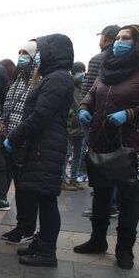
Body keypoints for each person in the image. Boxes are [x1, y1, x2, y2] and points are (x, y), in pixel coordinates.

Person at [75, 24, 139, 270]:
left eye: (126, 39)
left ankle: (124, 249)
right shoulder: (107, 68)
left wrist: (130, 113)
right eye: (118, 38)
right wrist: (84, 108)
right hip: (102, 140)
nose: (119, 42)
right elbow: (93, 92)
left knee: (128, 199)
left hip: (132, 147)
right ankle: (97, 240)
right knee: (100, 193)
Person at [4, 33, 75, 267]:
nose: (37, 58)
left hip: (46, 146)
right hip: (43, 145)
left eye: (41, 53)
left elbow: (40, 115)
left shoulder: (57, 79)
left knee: (46, 200)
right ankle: (41, 243)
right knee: (44, 198)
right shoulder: (55, 77)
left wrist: (14, 137)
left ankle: (47, 252)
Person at [0, 40, 40, 244]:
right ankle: (21, 225)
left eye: (25, 53)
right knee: (19, 185)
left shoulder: (37, 80)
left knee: (26, 189)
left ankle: (27, 229)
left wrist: (16, 136)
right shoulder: (18, 79)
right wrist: (3, 124)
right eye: (19, 52)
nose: (21, 56)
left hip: (24, 141)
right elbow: (9, 105)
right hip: (12, 140)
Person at [80, 25, 121, 216]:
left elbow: (88, 89)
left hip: (96, 118)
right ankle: (114, 203)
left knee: (98, 162)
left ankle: (105, 205)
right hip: (115, 119)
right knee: (115, 160)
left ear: (105, 38)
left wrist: (82, 109)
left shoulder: (98, 60)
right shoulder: (124, 60)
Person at [61, 62, 86, 191]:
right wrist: (72, 115)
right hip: (70, 127)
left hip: (81, 128)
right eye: (80, 71)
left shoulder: (83, 87)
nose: (83, 73)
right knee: (67, 154)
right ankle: (62, 181)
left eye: (84, 71)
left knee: (78, 155)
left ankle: (74, 179)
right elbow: (65, 104)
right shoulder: (68, 86)